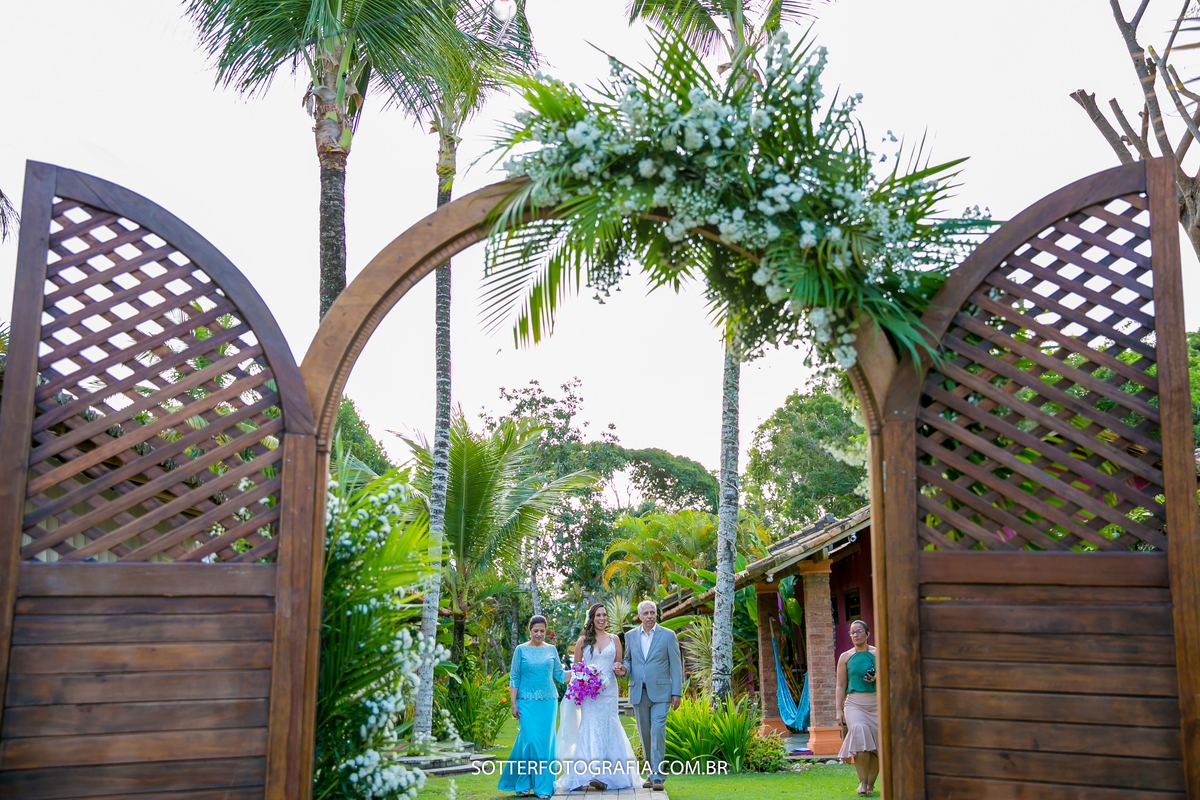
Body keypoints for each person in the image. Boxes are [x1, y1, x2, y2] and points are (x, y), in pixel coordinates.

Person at [555, 603, 643, 792]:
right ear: (592, 618)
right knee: (589, 727)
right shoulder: (582, 642)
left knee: (609, 727)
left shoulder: (614, 640)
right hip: (590, 694)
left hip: (609, 692)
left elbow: (619, 667)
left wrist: (619, 669)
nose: (602, 618)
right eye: (598, 615)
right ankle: (587, 773)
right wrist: (585, 678)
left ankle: (606, 776)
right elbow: (577, 668)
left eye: (604, 615)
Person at [613, 600, 681, 792]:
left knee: (657, 731)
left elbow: (676, 666)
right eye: (646, 613)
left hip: (661, 693)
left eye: (653, 612)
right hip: (638, 692)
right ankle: (651, 774)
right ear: (640, 616)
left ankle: (658, 776)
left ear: (656, 614)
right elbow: (628, 659)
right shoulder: (630, 636)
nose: (650, 616)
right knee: (645, 734)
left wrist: (676, 692)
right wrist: (623, 669)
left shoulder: (668, 636)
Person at [498, 615, 565, 799]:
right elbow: (514, 677)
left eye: (542, 631)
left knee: (544, 745)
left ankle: (543, 787)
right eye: (536, 631)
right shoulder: (520, 650)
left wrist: (581, 673)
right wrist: (513, 703)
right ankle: (523, 782)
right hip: (525, 702)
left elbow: (559, 674)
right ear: (529, 631)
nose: (539, 634)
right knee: (528, 741)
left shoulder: (551, 650)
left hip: (548, 702)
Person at [836, 619, 880, 796]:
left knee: (876, 744)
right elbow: (840, 685)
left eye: (859, 631)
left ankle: (870, 785)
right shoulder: (845, 657)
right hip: (854, 703)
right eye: (852, 632)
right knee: (859, 731)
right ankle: (862, 783)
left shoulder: (879, 654)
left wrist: (878, 677)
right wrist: (838, 709)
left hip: (877, 703)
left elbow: (895, 676)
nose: (855, 635)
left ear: (867, 634)